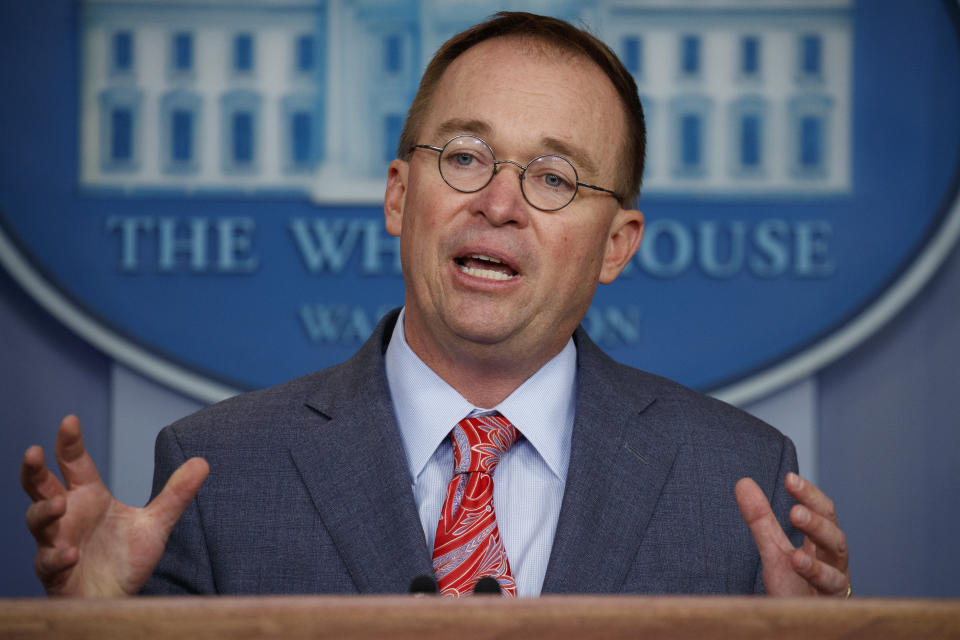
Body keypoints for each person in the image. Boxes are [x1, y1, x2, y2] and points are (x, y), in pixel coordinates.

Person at [20, 12, 850, 599]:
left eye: (554, 178)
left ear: (616, 245)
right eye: (465, 156)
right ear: (397, 195)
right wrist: (93, 632)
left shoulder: (735, 486)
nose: (499, 203)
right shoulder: (219, 475)